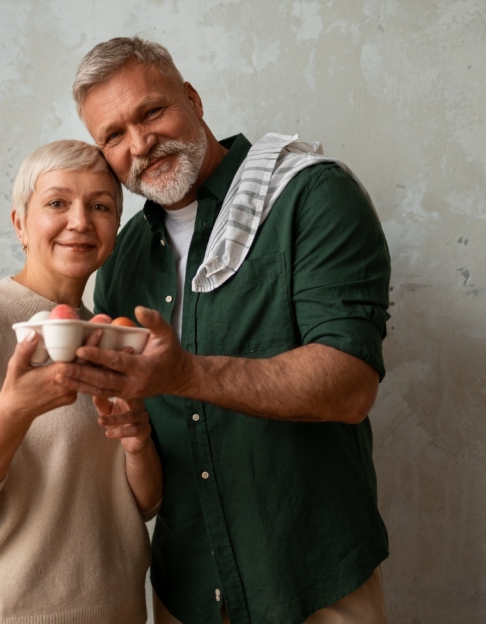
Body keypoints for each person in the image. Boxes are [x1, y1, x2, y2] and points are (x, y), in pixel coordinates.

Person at [58, 37, 392, 623]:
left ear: (193, 98)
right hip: (184, 592)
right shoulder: (121, 254)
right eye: (113, 135)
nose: (140, 144)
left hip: (310, 581)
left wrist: (184, 373)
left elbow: (350, 386)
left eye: (152, 111)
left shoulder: (310, 195)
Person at [0, 139, 162, 623]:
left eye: (100, 206)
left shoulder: (111, 334)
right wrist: (12, 411)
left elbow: (140, 509)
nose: (81, 221)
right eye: (57, 203)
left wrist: (136, 442)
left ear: (115, 228)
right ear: (20, 223)